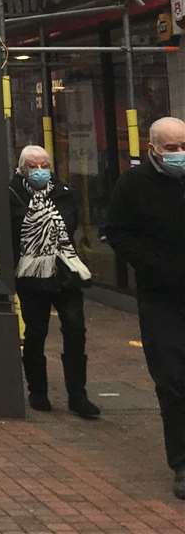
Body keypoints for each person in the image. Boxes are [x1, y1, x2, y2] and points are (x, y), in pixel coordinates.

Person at [103, 116, 185, 497]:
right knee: (172, 381)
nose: (179, 154)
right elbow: (117, 231)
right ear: (153, 148)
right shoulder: (133, 185)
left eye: (184, 145)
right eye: (172, 148)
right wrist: (151, 264)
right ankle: (182, 463)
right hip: (161, 296)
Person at [8, 145, 98, 418]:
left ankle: (78, 394)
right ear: (22, 169)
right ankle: (38, 391)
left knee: (75, 330)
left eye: (44, 165)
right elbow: (13, 228)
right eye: (33, 166)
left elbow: (71, 224)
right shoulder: (12, 194)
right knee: (36, 333)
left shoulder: (64, 192)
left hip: (65, 273)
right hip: (32, 275)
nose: (40, 171)